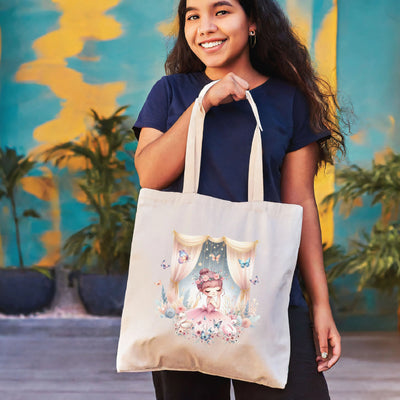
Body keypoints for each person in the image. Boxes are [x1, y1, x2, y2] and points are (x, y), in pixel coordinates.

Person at [133, 0, 346, 398]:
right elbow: (150, 174)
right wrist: (204, 102)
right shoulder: (171, 92)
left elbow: (300, 204)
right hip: (185, 295)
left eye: (222, 11)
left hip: (271, 291)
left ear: (253, 23)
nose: (205, 26)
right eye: (193, 16)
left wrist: (320, 304)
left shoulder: (289, 100)